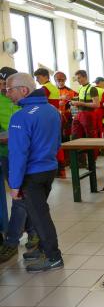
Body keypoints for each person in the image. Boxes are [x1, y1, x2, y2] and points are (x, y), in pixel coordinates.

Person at [6, 73, 63, 273]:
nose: (7, 94)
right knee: (36, 211)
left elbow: (18, 154)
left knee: (39, 216)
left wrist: (14, 185)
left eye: (9, 90)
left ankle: (54, 257)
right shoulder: (52, 111)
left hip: (31, 175)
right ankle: (40, 249)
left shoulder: (20, 117)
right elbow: (57, 142)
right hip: (49, 169)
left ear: (23, 90)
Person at [0, 67, 38, 263]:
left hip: (24, 156)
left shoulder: (27, 103)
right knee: (21, 197)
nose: (5, 90)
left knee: (21, 198)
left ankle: (16, 240)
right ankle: (29, 234)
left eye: (7, 86)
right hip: (7, 155)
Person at [70, 70, 100, 140]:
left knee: (90, 136)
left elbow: (97, 105)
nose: (78, 80)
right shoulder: (81, 88)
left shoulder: (92, 89)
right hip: (79, 114)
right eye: (77, 78)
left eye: (79, 78)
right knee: (75, 134)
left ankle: (93, 150)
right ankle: (76, 150)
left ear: (85, 77)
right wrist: (73, 102)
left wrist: (81, 103)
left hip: (89, 114)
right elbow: (80, 101)